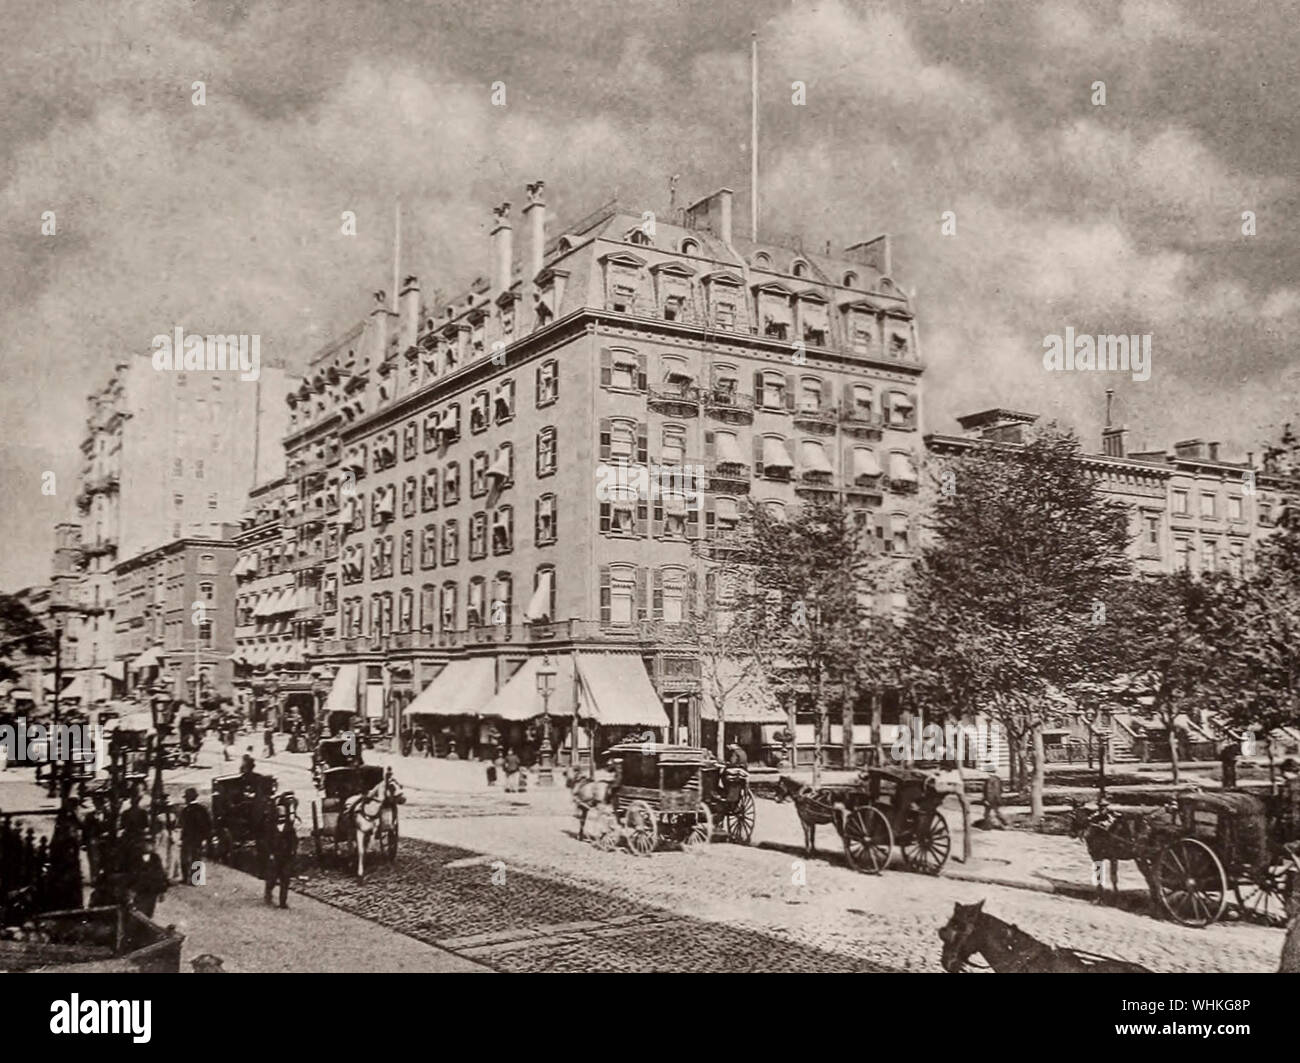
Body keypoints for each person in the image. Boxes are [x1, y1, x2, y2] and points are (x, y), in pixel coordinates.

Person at [179, 787, 211, 885]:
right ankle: (195, 880)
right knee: (196, 858)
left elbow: (182, 825)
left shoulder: (185, 810)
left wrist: (182, 837)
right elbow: (208, 825)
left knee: (184, 858)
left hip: (188, 838)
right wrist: (205, 838)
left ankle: (185, 878)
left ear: (188, 798)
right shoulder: (202, 809)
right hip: (198, 838)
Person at [130, 837, 169, 918]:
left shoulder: (156, 858)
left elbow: (161, 875)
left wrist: (162, 892)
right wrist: (131, 890)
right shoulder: (135, 858)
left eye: (151, 844)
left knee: (149, 913)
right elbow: (131, 875)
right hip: (139, 891)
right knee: (138, 914)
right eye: (146, 843)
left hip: (152, 892)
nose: (148, 846)